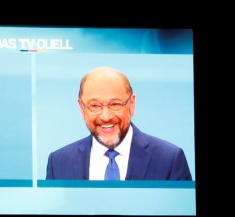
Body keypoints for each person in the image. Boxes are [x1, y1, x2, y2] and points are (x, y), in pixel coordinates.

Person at [45, 67, 192, 181]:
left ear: (132, 104)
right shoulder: (58, 163)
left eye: (115, 104)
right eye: (94, 106)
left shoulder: (170, 159)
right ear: (82, 108)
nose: (106, 116)